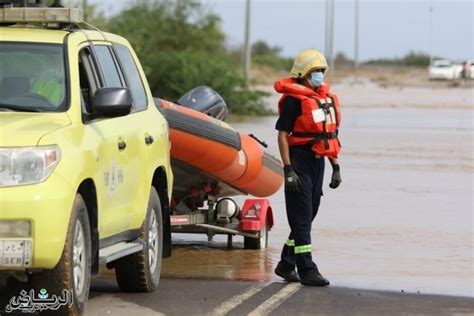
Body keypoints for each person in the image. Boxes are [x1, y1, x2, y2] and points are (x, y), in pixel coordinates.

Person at [273, 49, 342, 286]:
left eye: (322, 71)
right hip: (298, 161)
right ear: (303, 74)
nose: (320, 75)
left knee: (308, 214)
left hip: (318, 161)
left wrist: (335, 166)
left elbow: (328, 136)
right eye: (315, 71)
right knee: (301, 217)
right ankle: (307, 269)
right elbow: (283, 136)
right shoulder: (294, 101)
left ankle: (285, 264)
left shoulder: (323, 101)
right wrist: (288, 169)